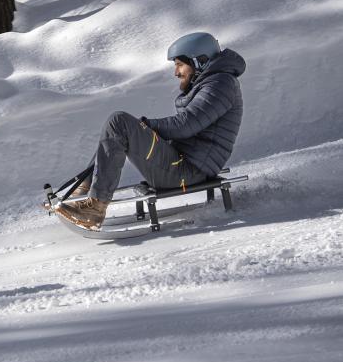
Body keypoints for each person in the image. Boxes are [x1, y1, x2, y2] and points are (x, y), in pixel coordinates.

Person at [53, 32, 245, 230]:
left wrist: (147, 125)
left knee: (119, 122)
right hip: (184, 163)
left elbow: (187, 124)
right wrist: (143, 129)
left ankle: (94, 206)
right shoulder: (214, 83)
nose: (176, 72)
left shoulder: (221, 84)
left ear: (199, 61)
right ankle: (82, 193)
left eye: (180, 64)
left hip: (189, 171)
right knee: (118, 127)